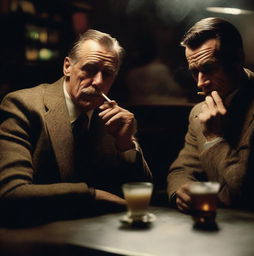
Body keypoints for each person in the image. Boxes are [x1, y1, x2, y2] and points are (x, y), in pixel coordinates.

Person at [0, 29, 151, 225]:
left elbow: (143, 192)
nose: (98, 82)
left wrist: (126, 145)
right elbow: (10, 193)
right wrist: (92, 195)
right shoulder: (23, 105)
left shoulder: (114, 117)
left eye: (107, 73)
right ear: (67, 67)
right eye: (90, 69)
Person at [167, 17, 254, 212]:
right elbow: (180, 170)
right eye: (194, 72)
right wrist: (182, 191)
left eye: (208, 68)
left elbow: (245, 195)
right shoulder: (199, 112)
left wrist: (215, 139)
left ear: (237, 59)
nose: (200, 82)